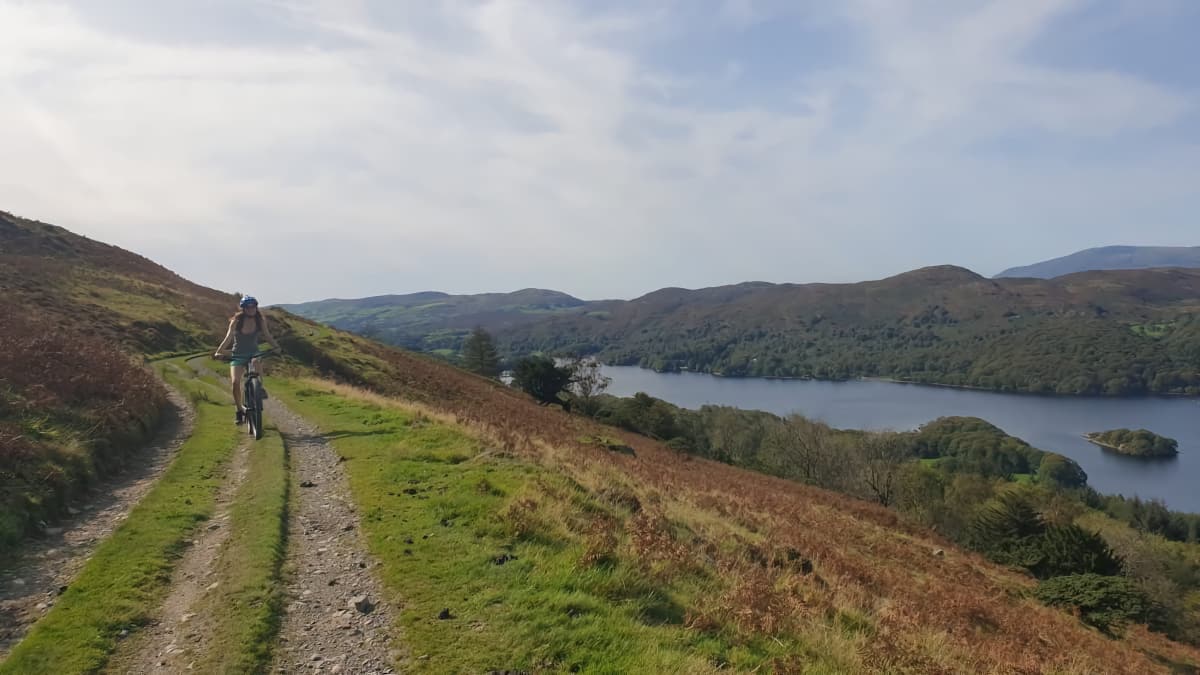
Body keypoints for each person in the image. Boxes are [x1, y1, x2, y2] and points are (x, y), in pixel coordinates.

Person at [214, 295, 280, 424]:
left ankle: (259, 388)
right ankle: (239, 410)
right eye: (248, 307)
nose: (251, 309)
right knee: (235, 383)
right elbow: (228, 338)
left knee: (256, 362)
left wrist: (277, 347)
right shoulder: (236, 321)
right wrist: (219, 351)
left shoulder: (260, 320)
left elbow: (267, 335)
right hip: (237, 354)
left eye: (253, 306)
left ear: (256, 307)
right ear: (243, 309)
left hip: (253, 353)